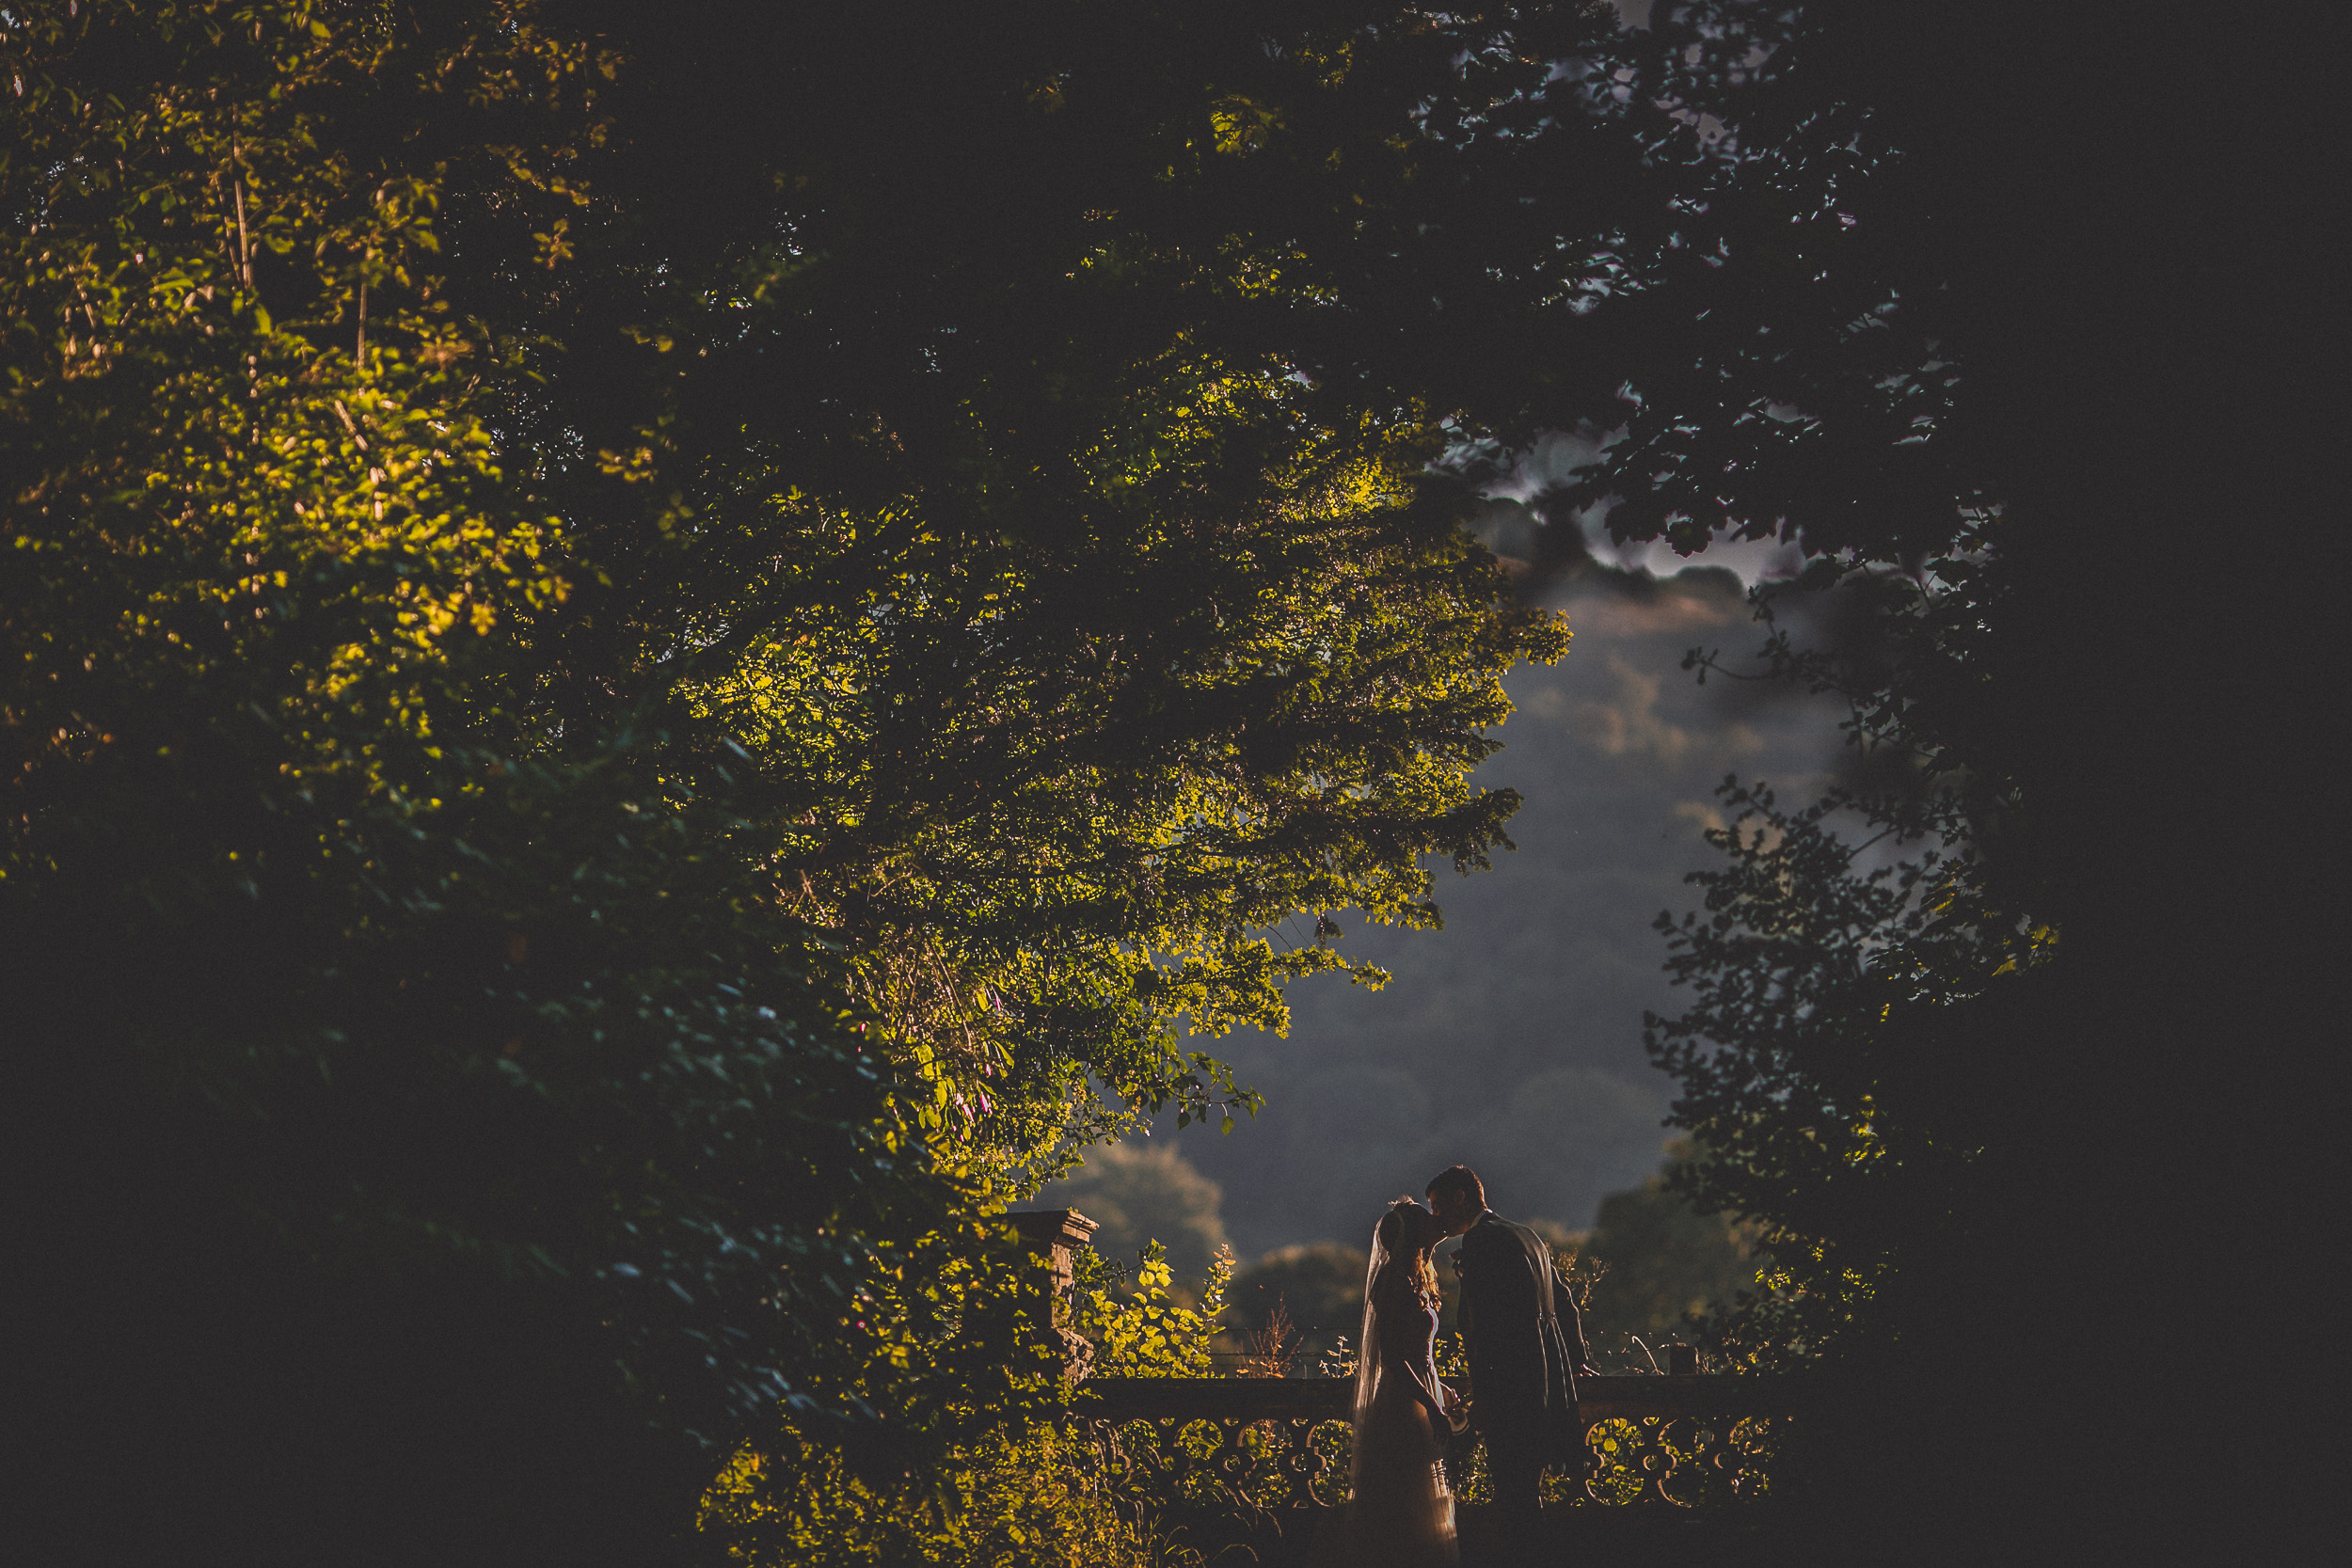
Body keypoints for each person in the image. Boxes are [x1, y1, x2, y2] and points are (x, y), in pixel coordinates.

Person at [1426, 1164, 1597, 1544]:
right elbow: (1564, 1301)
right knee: (1527, 1496)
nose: (1435, 1216)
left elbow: (1484, 1329)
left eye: (1438, 1205)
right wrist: (1576, 1358)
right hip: (1548, 1386)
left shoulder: (1480, 1242)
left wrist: (1485, 1396)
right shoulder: (1527, 1235)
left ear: (1461, 1197)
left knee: (1514, 1501)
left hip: (1511, 1393)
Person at [1322, 1196, 1467, 1568]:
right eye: (1429, 1221)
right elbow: (1394, 1360)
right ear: (1415, 1234)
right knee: (1403, 1507)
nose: (1439, 1223)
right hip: (1402, 1404)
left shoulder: (1415, 1277)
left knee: (1422, 1503)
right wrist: (1432, 1407)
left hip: (1421, 1394)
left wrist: (1442, 1388)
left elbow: (1418, 1353)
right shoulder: (1394, 1283)